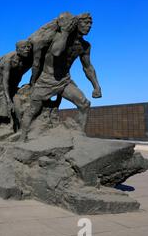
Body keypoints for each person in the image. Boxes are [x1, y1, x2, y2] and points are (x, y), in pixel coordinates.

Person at [19, 13, 102, 141]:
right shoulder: (59, 36)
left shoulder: (85, 46)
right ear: (76, 24)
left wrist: (96, 86)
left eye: (91, 24)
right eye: (86, 23)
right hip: (46, 80)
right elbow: (56, 52)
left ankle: (80, 136)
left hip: (64, 81)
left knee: (84, 104)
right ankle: (22, 137)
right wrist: (65, 32)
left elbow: (88, 67)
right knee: (32, 111)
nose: (89, 26)